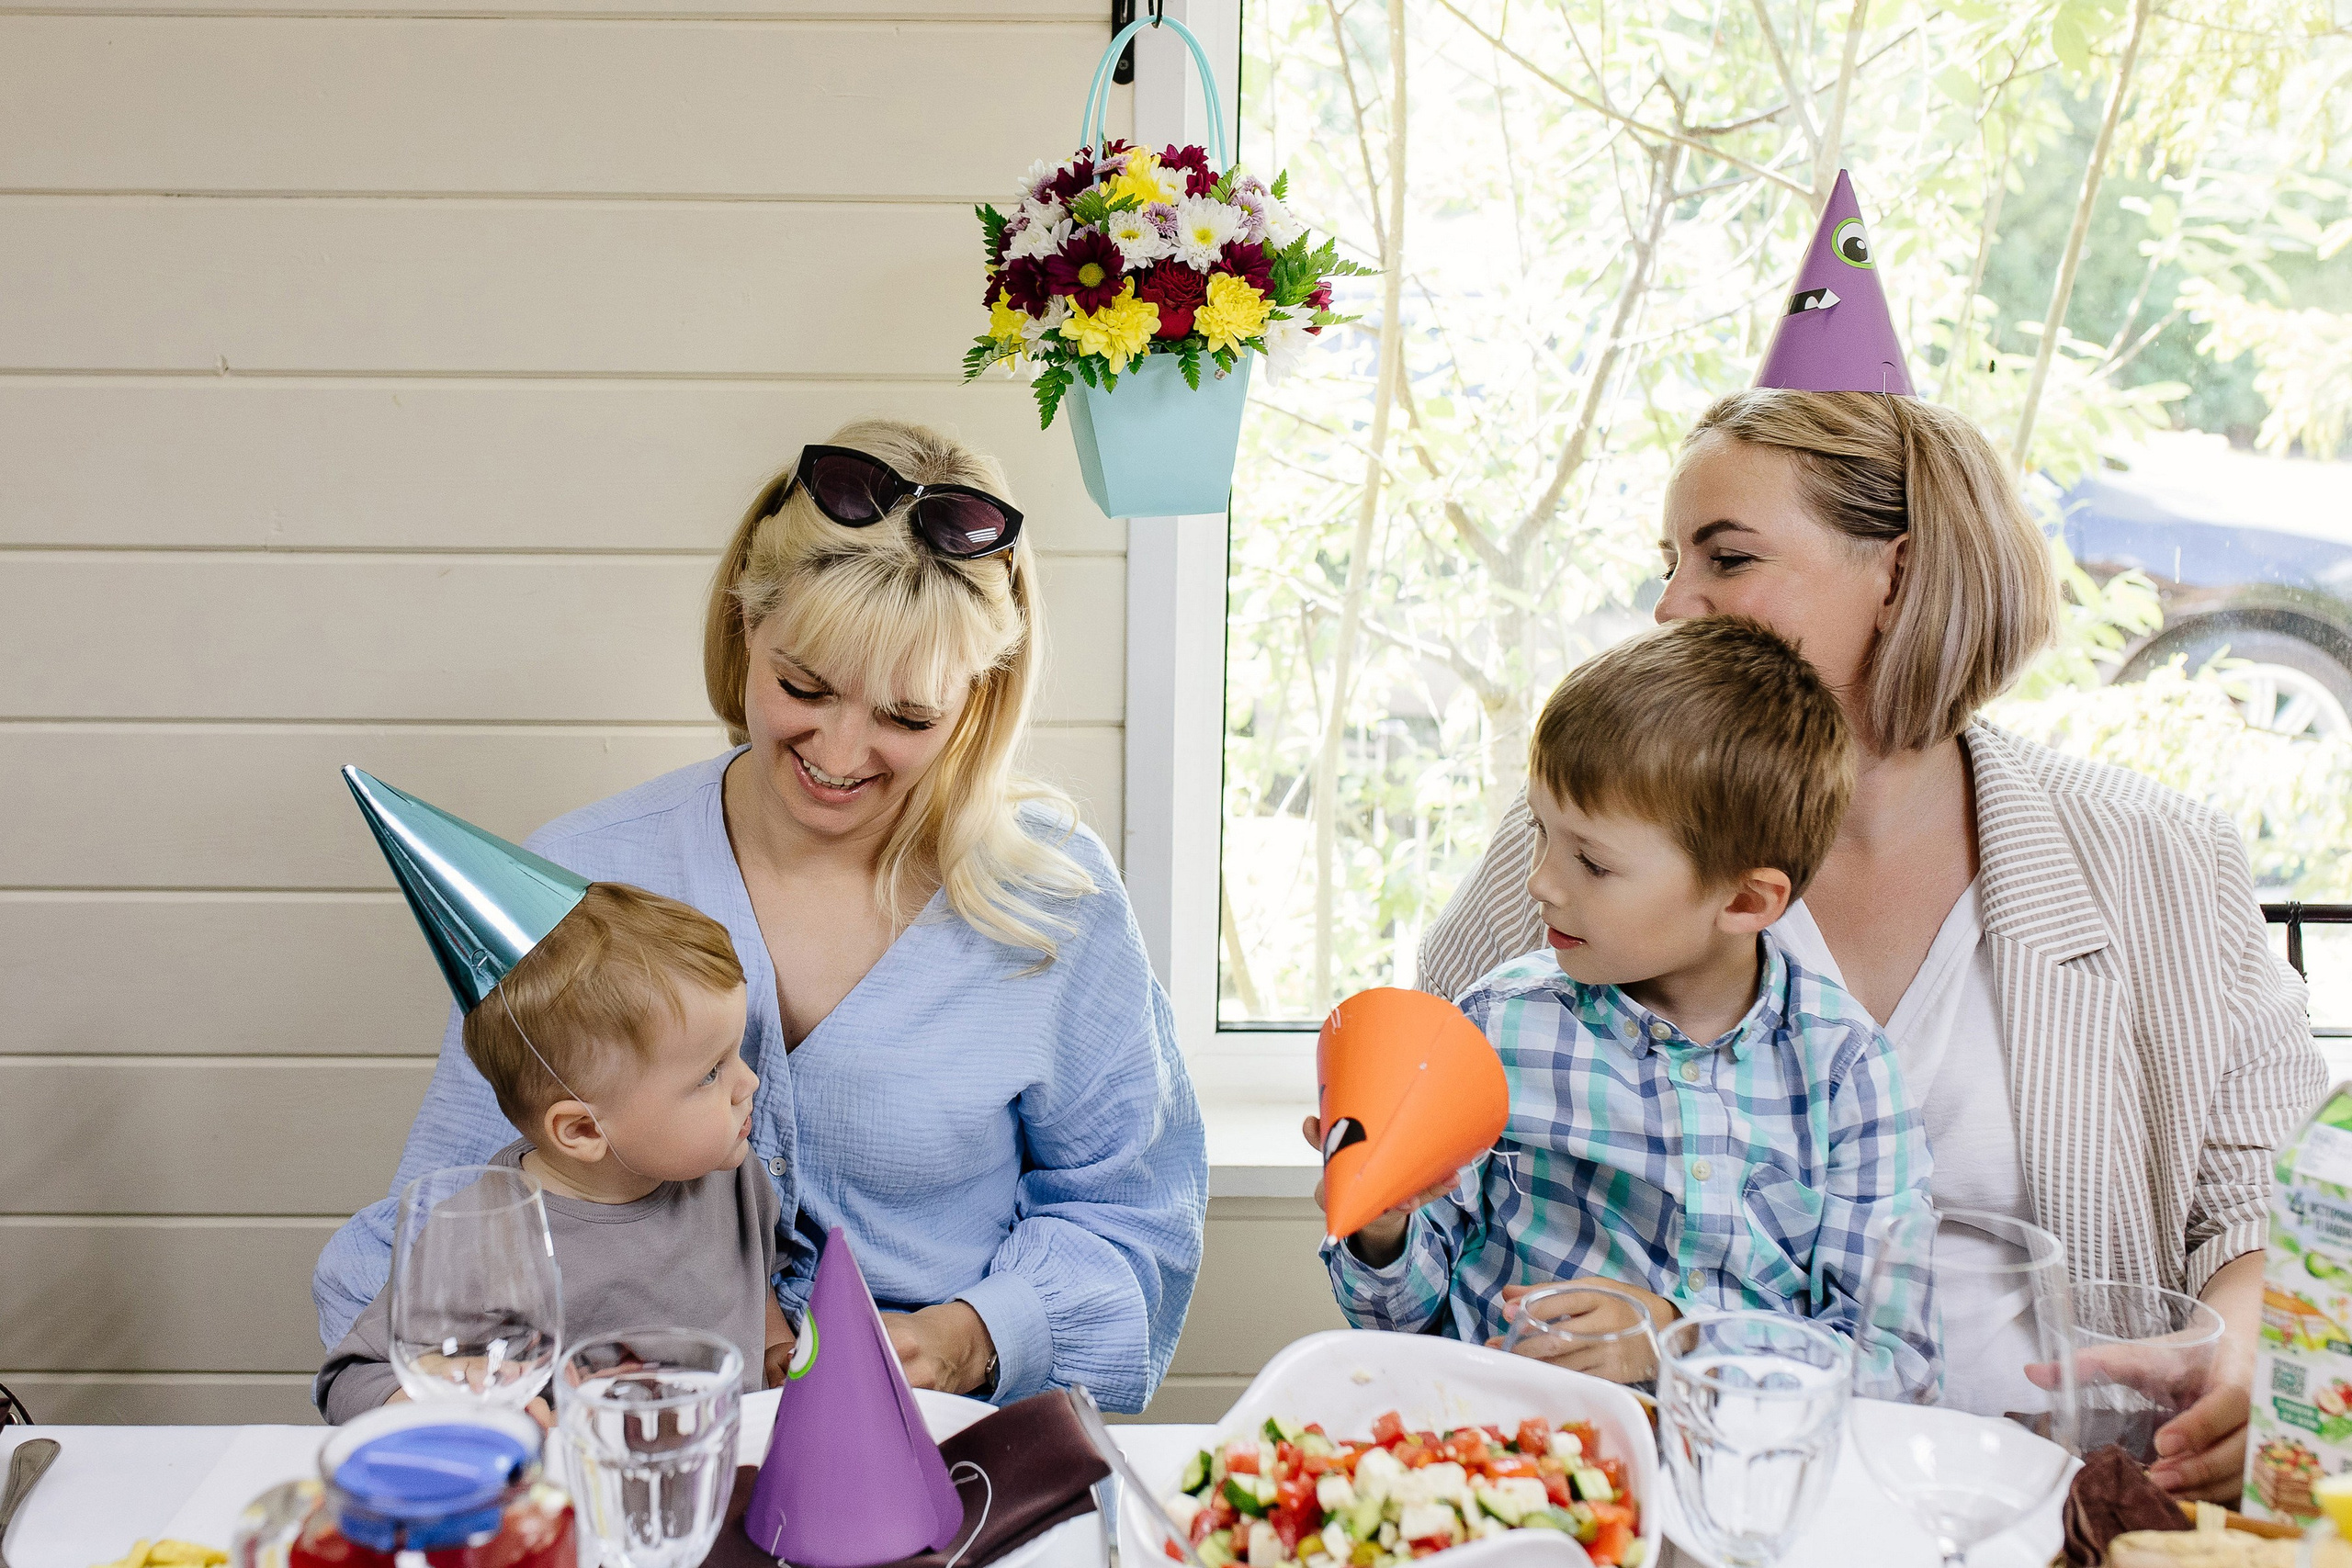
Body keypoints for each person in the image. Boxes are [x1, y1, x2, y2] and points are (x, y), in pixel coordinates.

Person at [1413, 386, 2323, 1493]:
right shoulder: (1591, 852)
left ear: (1896, 577)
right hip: (1671, 1497)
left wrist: (2236, 1356)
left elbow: (2271, 1199)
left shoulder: (2156, 860)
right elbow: (1432, 1149)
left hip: (2060, 1504)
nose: (1668, 606)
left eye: (1727, 558)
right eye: (1670, 560)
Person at [315, 418, 1208, 1415]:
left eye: (907, 718)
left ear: (978, 699)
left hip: (947, 1450)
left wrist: (966, 1342)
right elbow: (440, 1233)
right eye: (804, 686)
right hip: (629, 1463)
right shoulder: (584, 871)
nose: (841, 749)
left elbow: (1133, 1220)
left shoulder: (1052, 898)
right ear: (745, 626)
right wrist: (469, 1399)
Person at [1321, 617, 1937, 1393]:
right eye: (1541, 834)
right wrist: (1382, 1227)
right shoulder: (1495, 1029)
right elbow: (1406, 1323)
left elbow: (1898, 1367)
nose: (1542, 880)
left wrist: (1679, 1340)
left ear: (1747, 898)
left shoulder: (1848, 1071)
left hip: (1744, 1489)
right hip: (1513, 1461)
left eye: (1592, 861)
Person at [315, 878, 790, 1422]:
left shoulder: (730, 1173)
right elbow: (350, 1382)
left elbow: (757, 1278)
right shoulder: (485, 1235)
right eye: (711, 1072)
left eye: (736, 1054)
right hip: (571, 1492)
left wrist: (775, 1347)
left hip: (728, 1474)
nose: (748, 1082)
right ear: (584, 1130)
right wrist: (443, 1395)